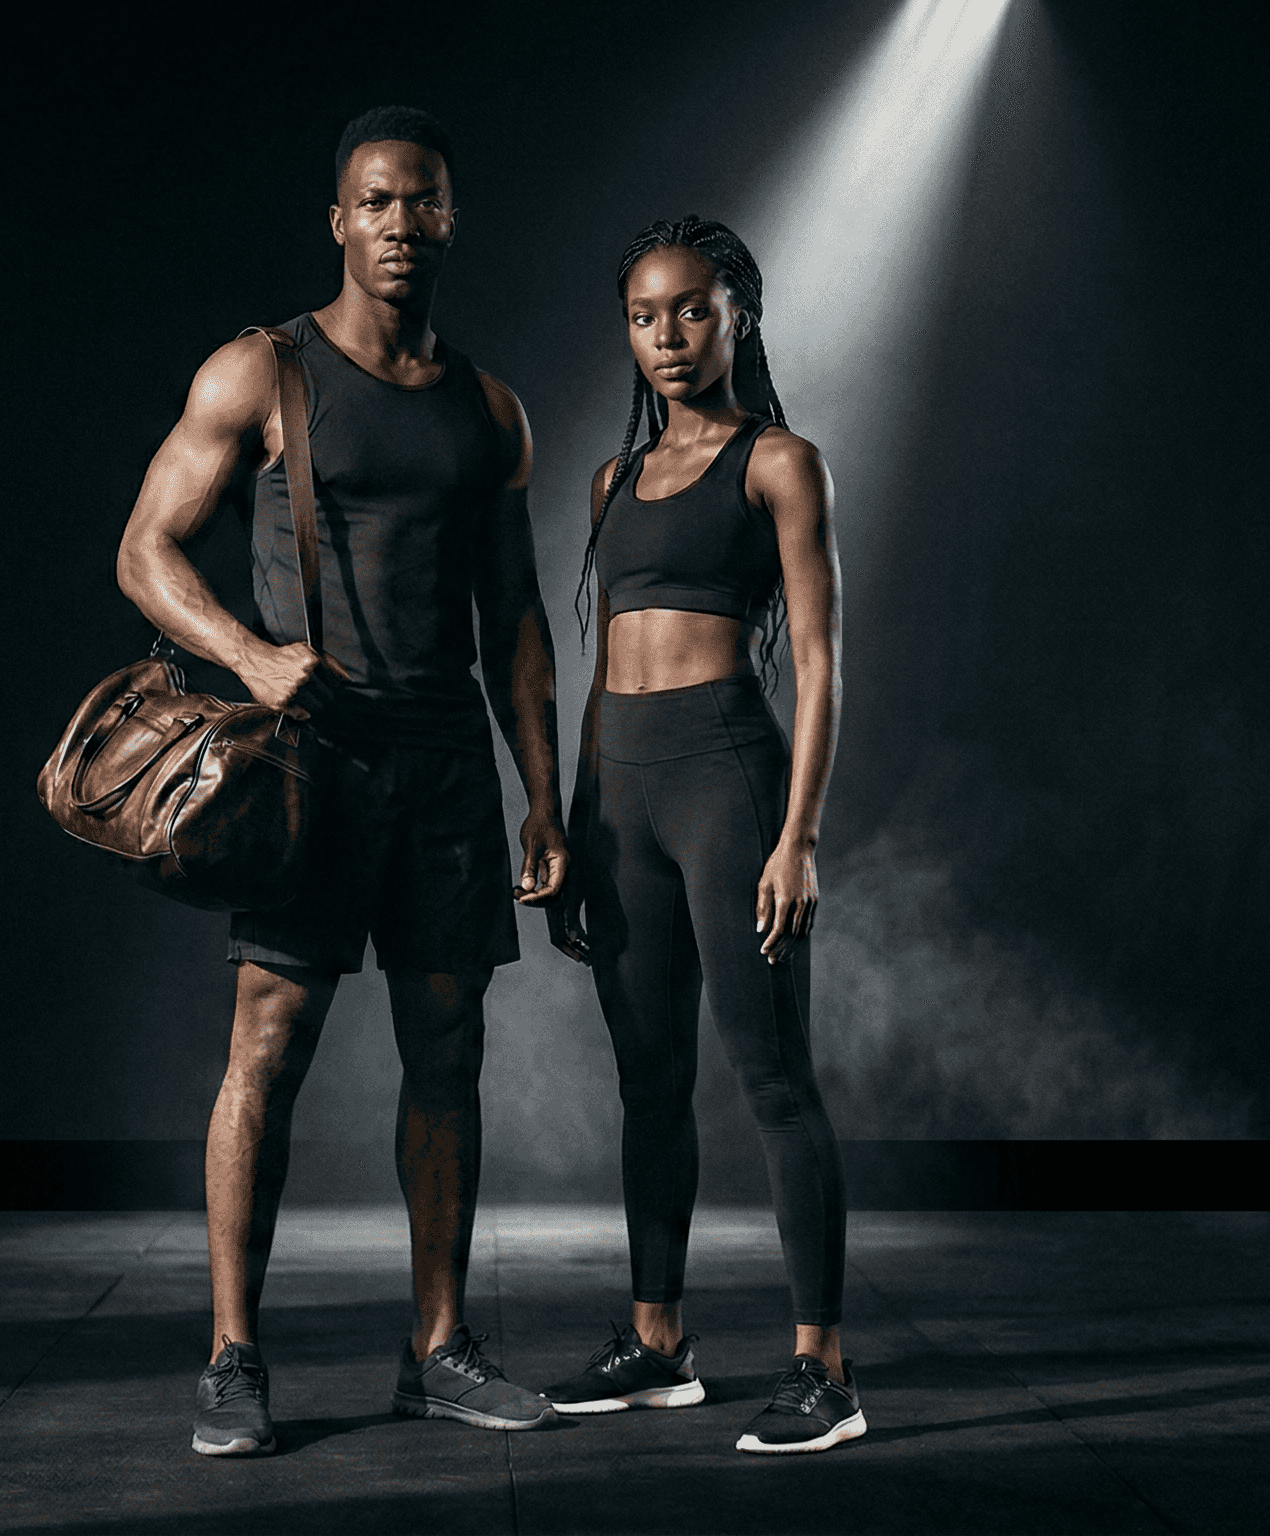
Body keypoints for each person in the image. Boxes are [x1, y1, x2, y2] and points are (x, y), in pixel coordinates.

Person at [113, 106, 567, 1458]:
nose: (399, 223)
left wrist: (543, 795)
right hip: (312, 760)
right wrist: (249, 656)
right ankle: (231, 1357)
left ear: (451, 219)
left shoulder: (491, 410)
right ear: (339, 221)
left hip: (445, 768)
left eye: (422, 200)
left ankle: (439, 1350)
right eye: (375, 201)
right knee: (267, 1047)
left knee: (449, 1050)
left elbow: (517, 621)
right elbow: (144, 550)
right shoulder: (262, 371)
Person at [538, 216, 857, 1454]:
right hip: (622, 796)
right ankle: (657, 1343)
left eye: (689, 310)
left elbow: (819, 660)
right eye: (642, 316)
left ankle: (823, 1371)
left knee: (772, 1077)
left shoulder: (779, 463)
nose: (666, 336)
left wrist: (799, 835)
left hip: (728, 784)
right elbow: (602, 665)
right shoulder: (611, 481)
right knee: (648, 1083)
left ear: (739, 315)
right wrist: (578, 824)